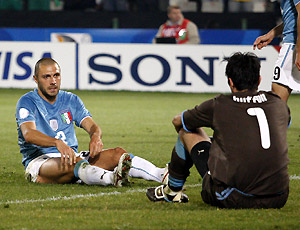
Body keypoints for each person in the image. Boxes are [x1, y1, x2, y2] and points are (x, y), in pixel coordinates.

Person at [146, 52, 290, 209]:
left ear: (230, 82)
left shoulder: (219, 104)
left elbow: (177, 121)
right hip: (279, 196)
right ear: (259, 79)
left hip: (231, 196)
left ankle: (171, 191)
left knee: (186, 131)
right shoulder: (278, 104)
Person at [16, 57, 166, 187]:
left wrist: (95, 137)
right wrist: (57, 143)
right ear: (36, 79)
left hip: (73, 157)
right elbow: (29, 134)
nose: (53, 81)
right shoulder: (27, 101)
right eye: (46, 77)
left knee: (118, 154)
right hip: (41, 162)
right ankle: (111, 178)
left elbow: (92, 126)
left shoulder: (70, 99)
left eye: (56, 75)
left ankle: (162, 175)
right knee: (75, 163)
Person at [253, 0, 300, 102]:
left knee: (277, 99)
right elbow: (293, 18)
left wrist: (299, 50)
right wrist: (271, 34)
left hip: (293, 44)